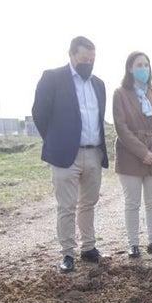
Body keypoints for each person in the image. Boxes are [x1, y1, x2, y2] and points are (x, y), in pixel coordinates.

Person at [32, 35, 108, 271]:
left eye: (92, 59)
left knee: (89, 203)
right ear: (72, 55)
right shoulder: (53, 78)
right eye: (85, 58)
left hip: (93, 153)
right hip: (66, 155)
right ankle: (67, 253)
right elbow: (39, 114)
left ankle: (88, 247)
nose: (89, 63)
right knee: (66, 205)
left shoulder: (98, 84)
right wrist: (55, 140)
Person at [112, 51, 152, 258]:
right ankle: (133, 244)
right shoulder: (120, 94)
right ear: (130, 68)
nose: (144, 69)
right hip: (130, 156)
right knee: (132, 203)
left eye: (146, 65)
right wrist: (142, 152)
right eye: (139, 65)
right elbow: (121, 126)